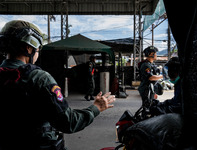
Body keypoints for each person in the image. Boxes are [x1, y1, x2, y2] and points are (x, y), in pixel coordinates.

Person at [0, 20, 115, 150]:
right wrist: (96, 108)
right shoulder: (39, 78)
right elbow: (68, 122)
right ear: (28, 47)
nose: (38, 52)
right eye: (38, 48)